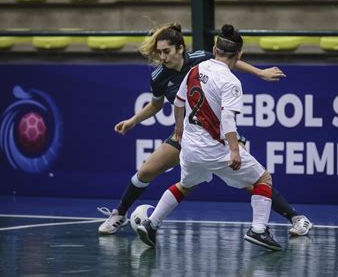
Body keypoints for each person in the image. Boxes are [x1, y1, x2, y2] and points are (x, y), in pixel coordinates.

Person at [97, 23, 313, 237]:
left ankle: (296, 217)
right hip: (187, 136)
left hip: (217, 136)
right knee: (146, 172)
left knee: (252, 184)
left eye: (166, 52)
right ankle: (119, 214)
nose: (162, 57)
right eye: (159, 52)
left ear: (180, 49)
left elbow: (231, 62)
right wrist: (133, 121)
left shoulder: (200, 60)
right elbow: (156, 105)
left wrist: (260, 73)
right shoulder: (158, 77)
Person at [137, 24, 281, 251]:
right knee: (263, 180)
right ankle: (259, 230)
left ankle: (152, 223)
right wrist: (235, 150)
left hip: (190, 148)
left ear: (215, 50)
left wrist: (179, 129)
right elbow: (227, 119)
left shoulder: (196, 68)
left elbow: (178, 102)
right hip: (215, 147)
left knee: (185, 185)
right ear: (239, 55)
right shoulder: (231, 81)